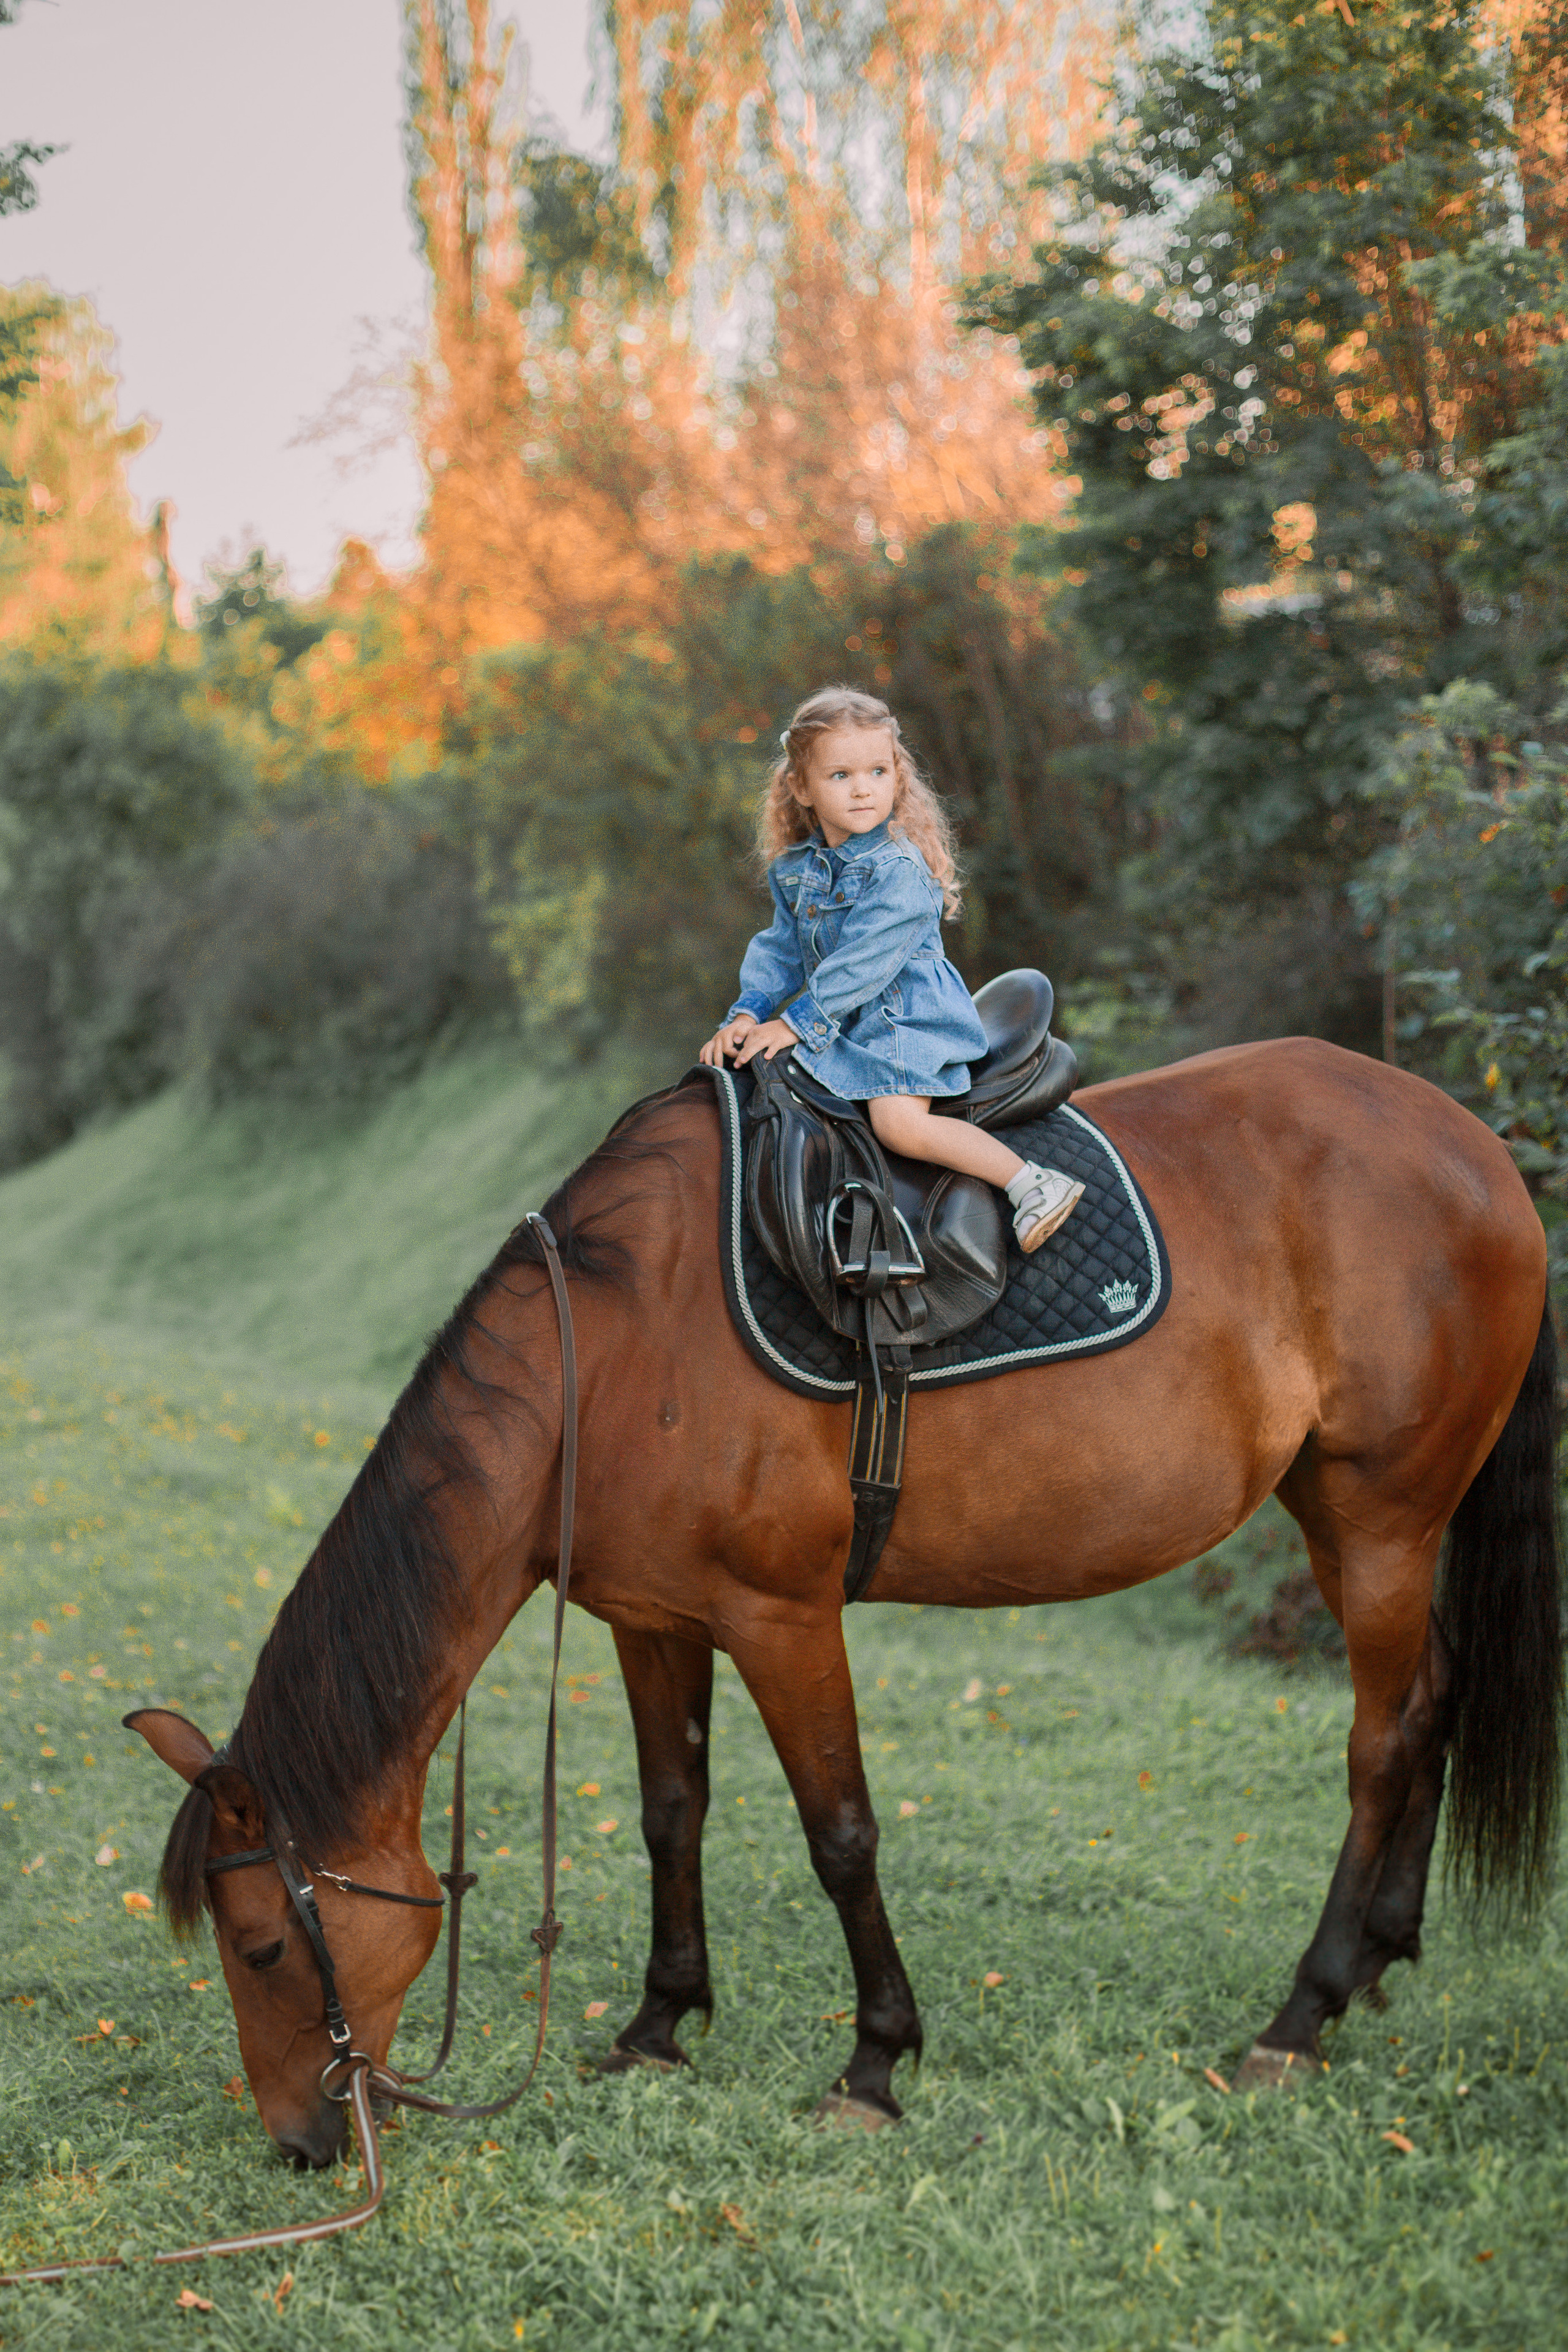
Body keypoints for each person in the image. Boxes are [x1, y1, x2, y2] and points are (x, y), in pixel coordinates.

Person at [699, 685, 1084, 1254]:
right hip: (848, 1021)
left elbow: (863, 964)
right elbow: (781, 948)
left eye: (878, 771)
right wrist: (748, 1011)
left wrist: (795, 1024)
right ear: (801, 787)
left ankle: (1030, 1183)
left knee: (898, 1125)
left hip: (906, 1020)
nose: (862, 788)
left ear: (897, 778)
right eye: (840, 776)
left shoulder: (898, 870)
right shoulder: (796, 870)